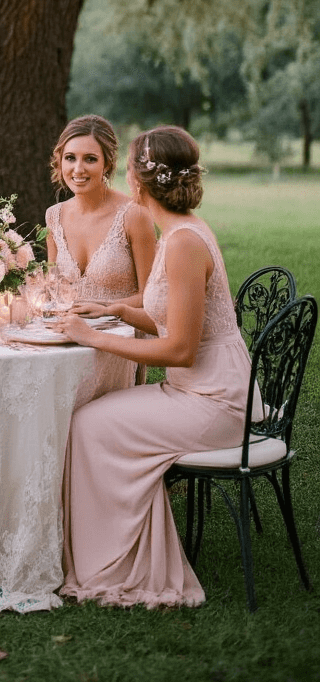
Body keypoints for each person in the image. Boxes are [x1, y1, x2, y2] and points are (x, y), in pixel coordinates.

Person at [58, 126, 260, 608]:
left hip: (214, 401)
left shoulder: (185, 242)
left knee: (88, 424)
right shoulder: (182, 229)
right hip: (197, 389)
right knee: (93, 417)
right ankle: (118, 547)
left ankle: (118, 564)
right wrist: (118, 312)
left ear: (139, 181)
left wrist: (94, 338)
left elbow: (179, 350)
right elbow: (170, 315)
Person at [46, 115, 156, 307]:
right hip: (68, 332)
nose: (78, 169)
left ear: (107, 164)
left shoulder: (134, 215)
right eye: (70, 158)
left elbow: (152, 298)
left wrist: (104, 310)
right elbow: (51, 291)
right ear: (60, 161)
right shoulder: (54, 216)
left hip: (125, 332)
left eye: (90, 159)